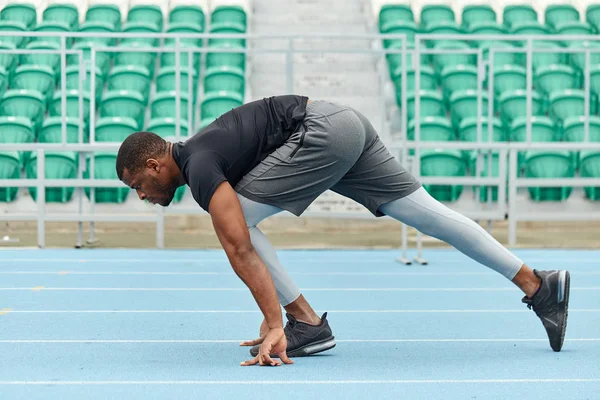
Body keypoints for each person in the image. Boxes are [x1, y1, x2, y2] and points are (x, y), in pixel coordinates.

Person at [115, 95, 570, 367]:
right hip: (343, 122)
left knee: (238, 224)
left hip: (321, 132)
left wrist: (276, 321)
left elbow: (238, 247)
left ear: (155, 165)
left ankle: (305, 323)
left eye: (139, 185)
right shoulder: (201, 152)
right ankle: (537, 284)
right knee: (427, 214)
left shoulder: (198, 165)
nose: (142, 196)